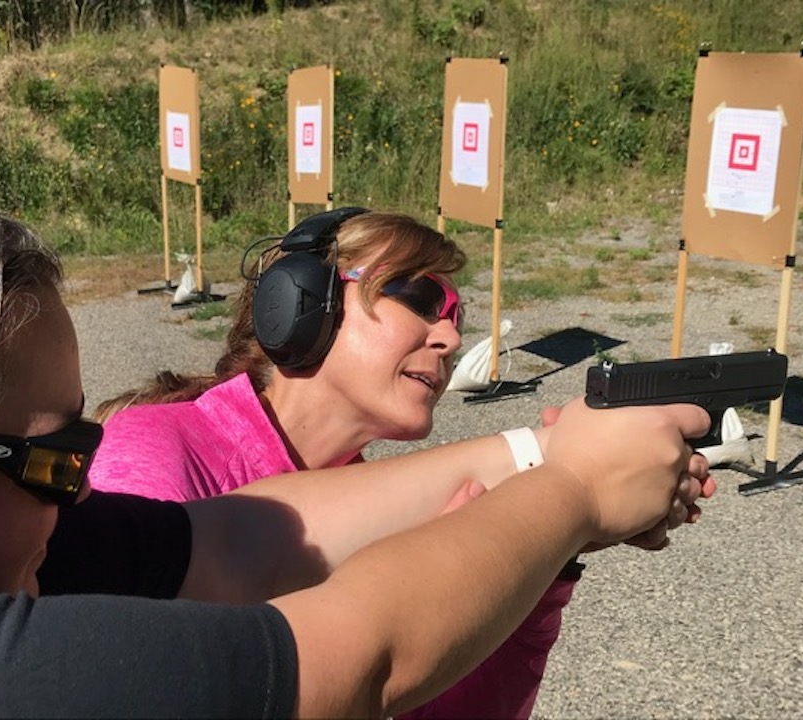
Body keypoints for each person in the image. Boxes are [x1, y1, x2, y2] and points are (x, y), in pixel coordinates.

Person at [0, 158, 714, 717]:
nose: (84, 487)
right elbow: (360, 657)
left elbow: (245, 537)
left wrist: (545, 464)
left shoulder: (19, 559)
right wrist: (566, 497)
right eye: (50, 458)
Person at [81, 210, 684, 717]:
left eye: (456, 316)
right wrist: (560, 470)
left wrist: (548, 546)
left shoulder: (394, 502)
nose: (449, 338)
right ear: (300, 302)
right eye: (421, 298)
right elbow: (150, 679)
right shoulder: (152, 448)